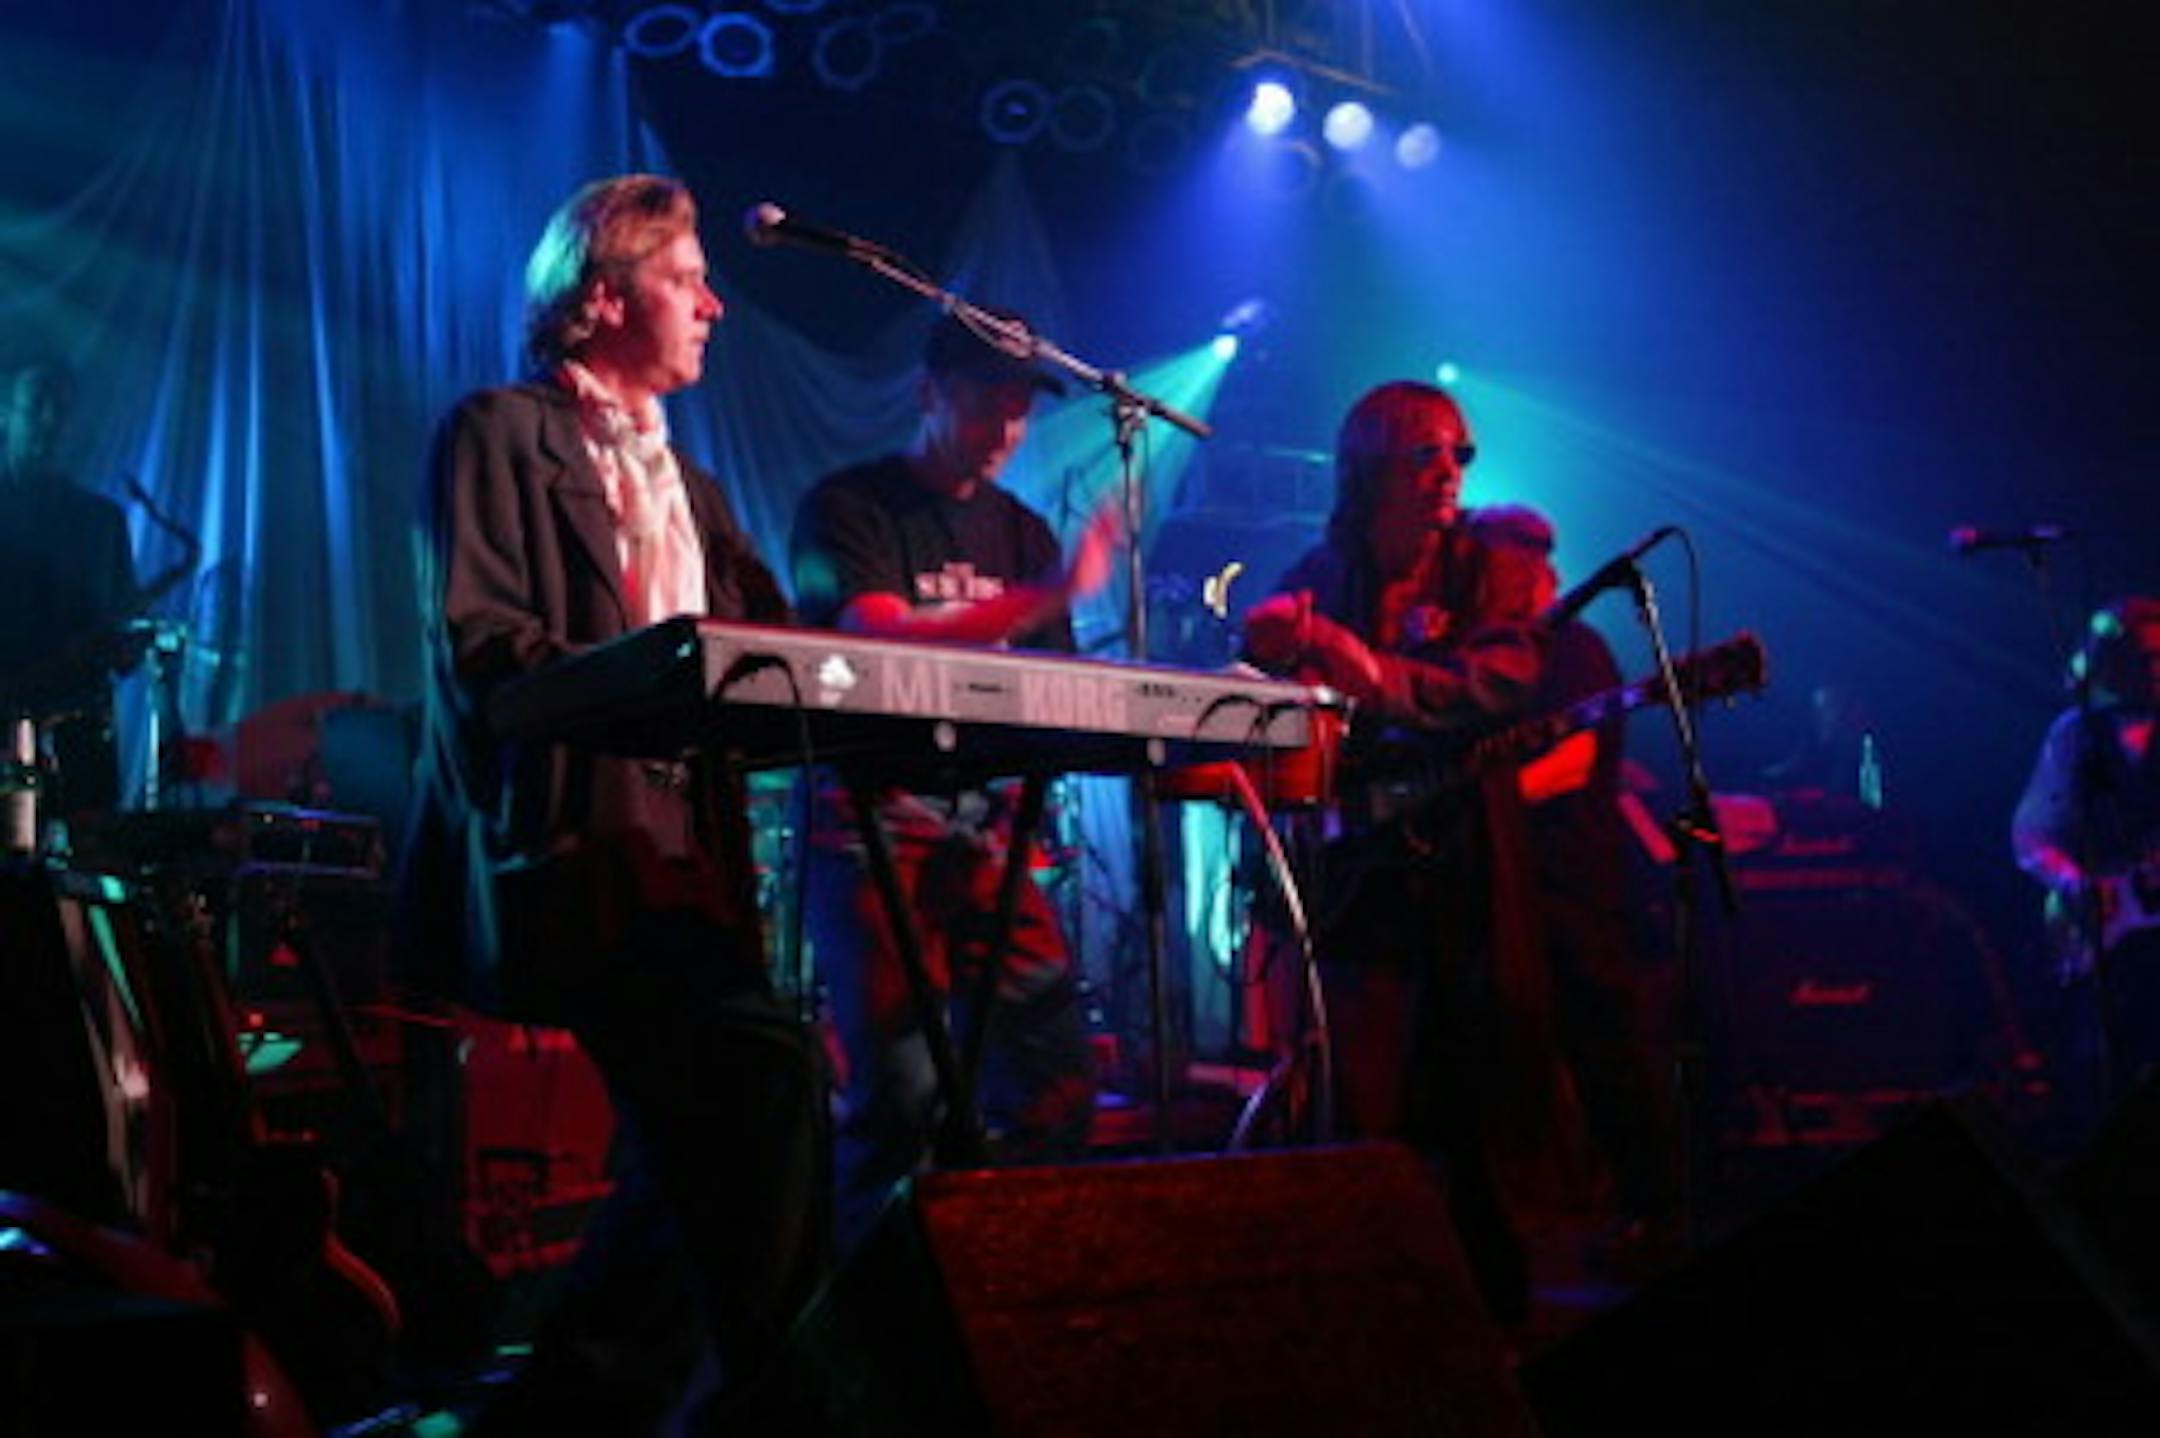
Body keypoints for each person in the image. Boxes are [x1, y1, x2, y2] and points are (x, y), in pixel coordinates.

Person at [404, 174, 826, 1433]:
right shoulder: (497, 433)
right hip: (571, 850)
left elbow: (772, 655)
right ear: (600, 297)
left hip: (689, 861)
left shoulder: (691, 484)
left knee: (696, 1141)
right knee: (760, 1077)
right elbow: (485, 647)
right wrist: (653, 684)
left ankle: (576, 1409)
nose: (714, 304)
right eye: (686, 278)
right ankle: (771, 1400)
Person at [789, 306, 1114, 1256]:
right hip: (873, 815)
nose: (1007, 427)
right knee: (902, 1097)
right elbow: (878, 637)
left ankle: (1002, 1277)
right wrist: (1045, 599)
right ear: (929, 392)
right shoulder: (847, 508)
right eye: (986, 402)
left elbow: (1054, 690)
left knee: (1056, 1083)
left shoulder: (1024, 533)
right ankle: (867, 1312)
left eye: (1020, 408)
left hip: (989, 826)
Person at [1241, 380, 1548, 1323]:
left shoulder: (1490, 564)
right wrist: (1266, 655)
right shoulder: (1322, 569)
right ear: (1370, 467)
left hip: (1465, 868)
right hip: (1358, 879)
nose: (1450, 473)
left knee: (1474, 1098)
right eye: (1426, 454)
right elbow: (1270, 688)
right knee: (1365, 1100)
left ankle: (1497, 1325)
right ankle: (1372, 1309)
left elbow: (1505, 678)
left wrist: (1369, 672)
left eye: (1460, 455)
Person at [1466, 504, 1680, 1263]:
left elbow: (1573, 763)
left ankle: (1653, 1211)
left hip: (1570, 883)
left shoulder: (1574, 648)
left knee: (1606, 1049)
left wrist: (1475, 808)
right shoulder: (1491, 656)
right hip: (1510, 886)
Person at [2014, 595, 2160, 1100]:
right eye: (2145, 657)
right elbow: (2032, 837)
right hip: (2108, 948)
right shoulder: (2076, 734)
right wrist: (2079, 887)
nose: (2155, 668)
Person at [0, 357, 139, 822]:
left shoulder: (102, 522)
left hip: (74, 733)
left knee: (89, 847)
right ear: (5, 411)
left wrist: (124, 649)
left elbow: (122, 629)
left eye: (60, 409)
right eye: (38, 404)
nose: (50, 420)